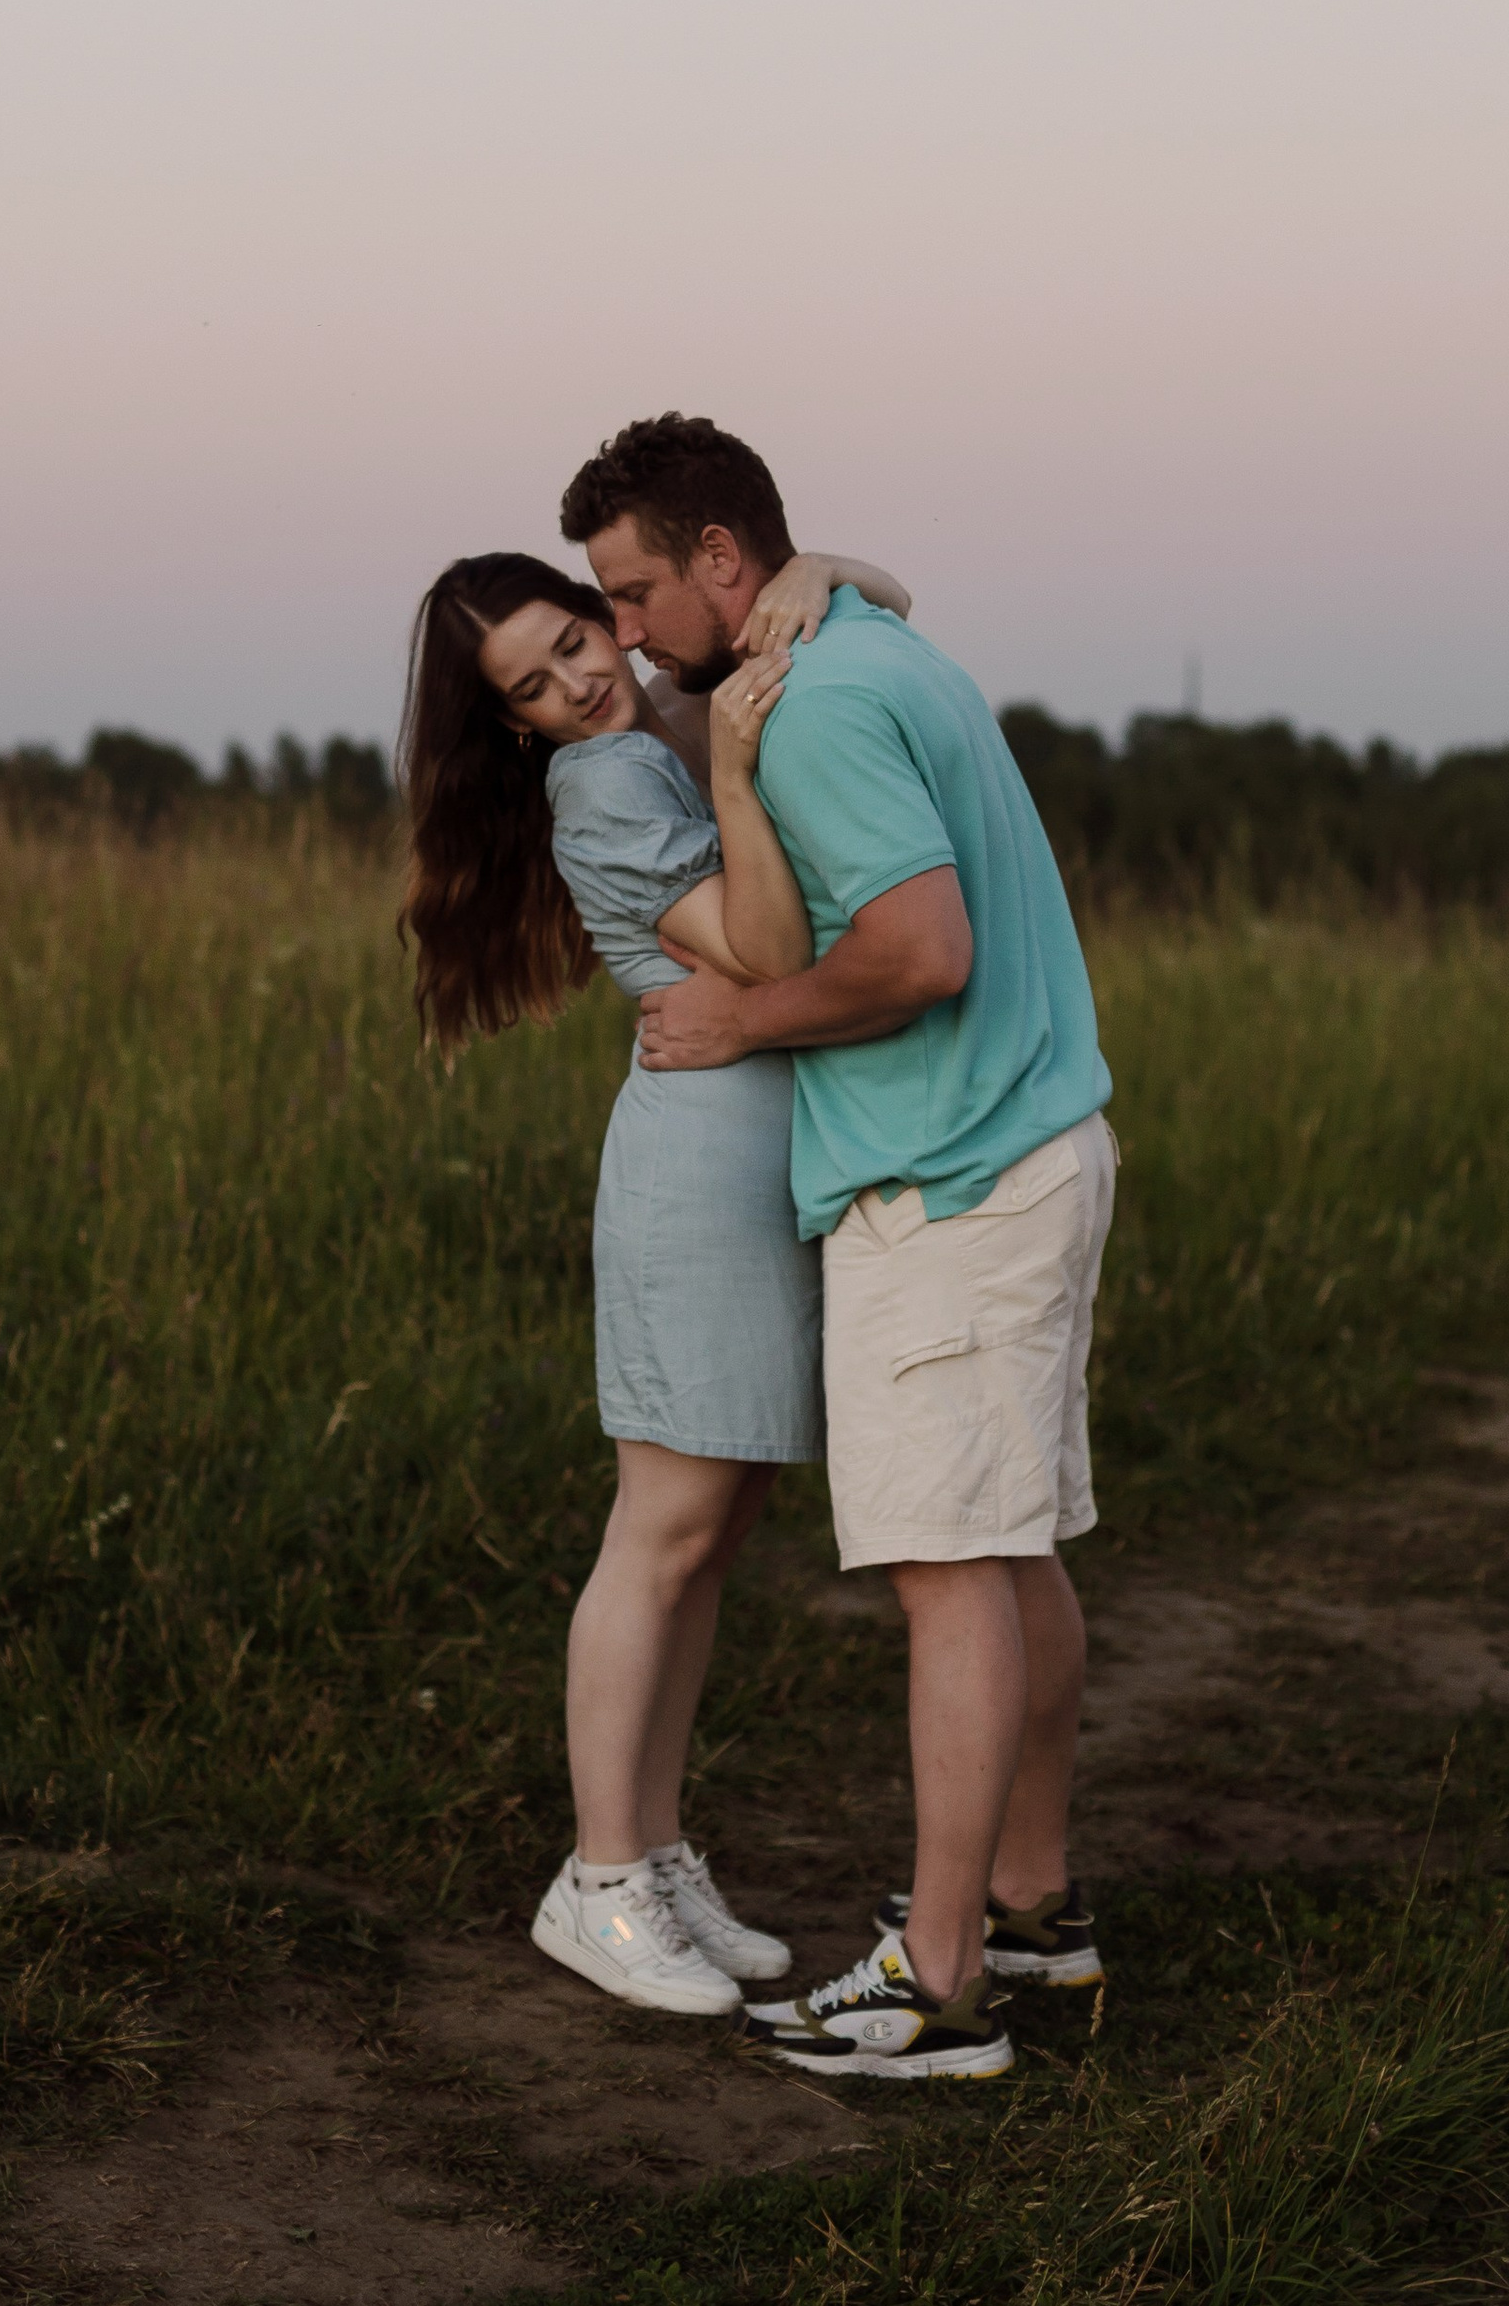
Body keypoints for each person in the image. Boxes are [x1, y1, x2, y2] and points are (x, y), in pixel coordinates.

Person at [558, 414, 1116, 2085]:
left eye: (635, 594)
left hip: (949, 1177)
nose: (625, 635)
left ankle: (937, 1984)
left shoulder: (807, 711)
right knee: (1010, 1549)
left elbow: (921, 951)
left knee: (949, 1570)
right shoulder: (870, 643)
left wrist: (745, 1021)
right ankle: (1028, 1906)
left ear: (726, 562)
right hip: (1032, 1144)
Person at [399, 539, 912, 2019]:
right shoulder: (612, 785)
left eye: (576, 640)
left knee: (713, 1528)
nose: (575, 683)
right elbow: (767, 948)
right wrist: (735, 774)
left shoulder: (652, 721)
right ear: (511, 724)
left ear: (602, 616)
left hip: (753, 1163)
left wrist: (817, 566)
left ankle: (660, 1852)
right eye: (532, 686)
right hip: (697, 1181)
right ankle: (601, 1876)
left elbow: (886, 598)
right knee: (663, 1531)